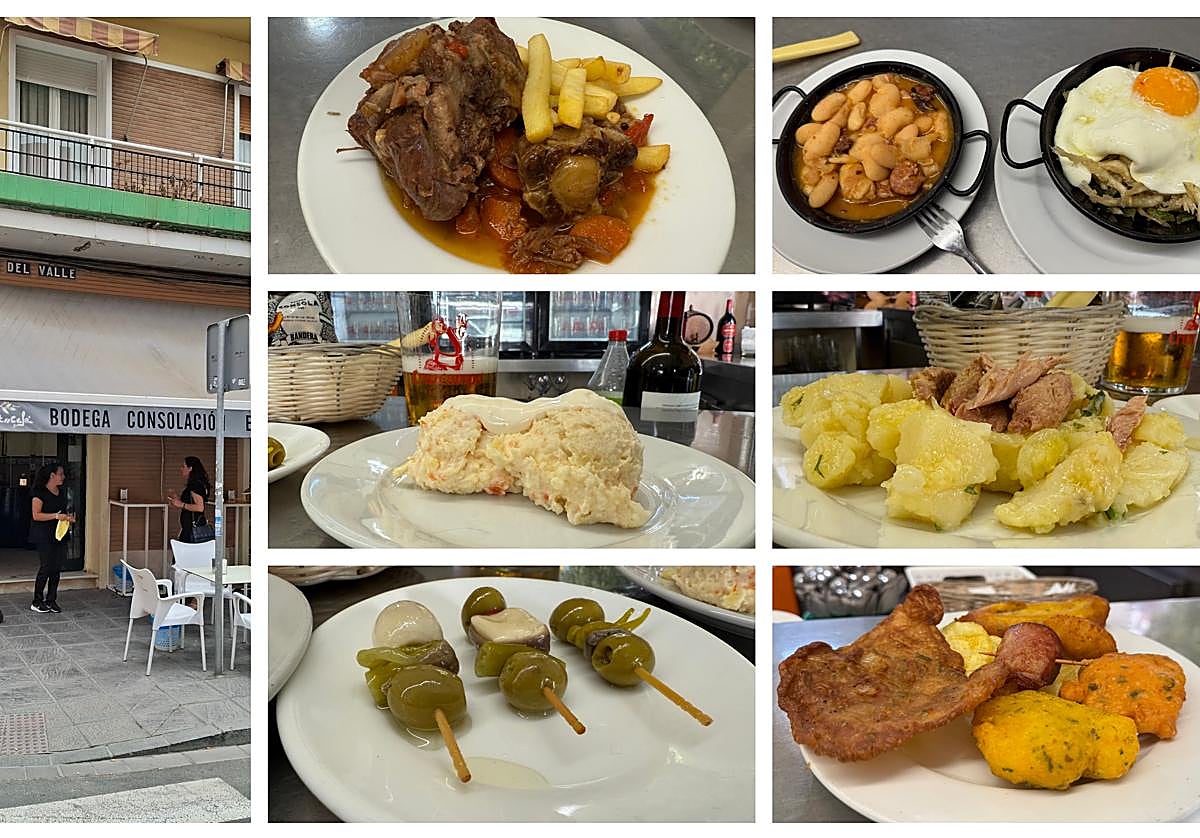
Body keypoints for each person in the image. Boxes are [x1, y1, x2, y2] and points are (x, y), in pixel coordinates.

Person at [30, 461, 74, 614]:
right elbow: (36, 515)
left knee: (56, 568)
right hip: (43, 534)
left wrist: (67, 518)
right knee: (46, 567)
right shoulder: (39, 492)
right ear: (52, 475)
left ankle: (51, 600)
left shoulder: (61, 492)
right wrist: (56, 516)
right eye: (60, 474)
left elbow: (62, 511)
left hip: (59, 534)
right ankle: (37, 600)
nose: (63, 477)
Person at [168, 456, 211, 543]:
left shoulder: (195, 485)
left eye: (184, 466)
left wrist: (181, 505)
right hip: (190, 526)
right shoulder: (198, 484)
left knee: (184, 555)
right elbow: (191, 501)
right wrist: (177, 499)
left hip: (192, 529)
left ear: (190, 468)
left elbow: (199, 507)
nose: (181, 469)